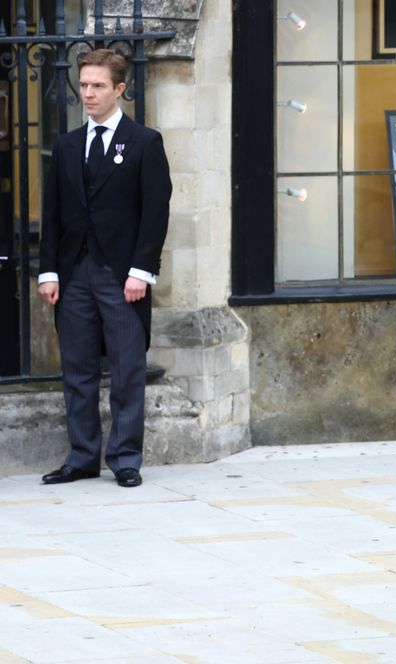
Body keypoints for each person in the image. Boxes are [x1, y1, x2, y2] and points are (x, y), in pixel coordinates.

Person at [37, 49, 172, 488]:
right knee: (77, 370)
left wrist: (141, 271)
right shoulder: (67, 145)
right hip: (74, 274)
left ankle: (126, 458)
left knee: (127, 370)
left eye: (98, 85)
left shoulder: (145, 143)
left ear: (120, 89)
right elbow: (53, 213)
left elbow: (155, 213)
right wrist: (49, 271)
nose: (88, 93)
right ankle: (81, 457)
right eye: (84, 85)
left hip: (121, 277)